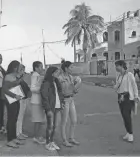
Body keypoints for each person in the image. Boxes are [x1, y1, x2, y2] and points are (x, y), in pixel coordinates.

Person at [56, 61, 81, 147]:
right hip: (64, 101)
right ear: (66, 68)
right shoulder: (59, 78)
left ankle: (71, 138)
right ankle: (64, 140)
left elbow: (74, 88)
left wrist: (76, 87)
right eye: (71, 67)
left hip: (71, 99)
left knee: (74, 120)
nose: (72, 69)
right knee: (64, 121)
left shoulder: (71, 77)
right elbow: (58, 92)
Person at [113, 60, 139, 142]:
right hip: (120, 97)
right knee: (124, 115)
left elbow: (134, 86)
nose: (116, 68)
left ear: (121, 66)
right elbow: (116, 87)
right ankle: (128, 132)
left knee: (126, 115)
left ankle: (130, 134)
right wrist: (114, 85)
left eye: (117, 66)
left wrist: (136, 96)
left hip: (127, 97)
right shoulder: (118, 76)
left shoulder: (129, 75)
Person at [2, 61, 25, 148]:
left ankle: (14, 137)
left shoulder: (15, 76)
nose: (20, 68)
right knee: (11, 119)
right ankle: (9, 140)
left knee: (15, 118)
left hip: (16, 99)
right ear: (14, 67)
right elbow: (5, 89)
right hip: (11, 99)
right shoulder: (8, 76)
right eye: (19, 67)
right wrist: (15, 95)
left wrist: (19, 78)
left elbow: (15, 85)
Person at [40, 66, 64, 151]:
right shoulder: (46, 83)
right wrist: (48, 109)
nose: (59, 73)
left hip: (57, 107)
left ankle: (52, 141)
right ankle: (48, 143)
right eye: (57, 72)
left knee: (55, 126)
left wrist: (62, 103)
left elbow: (60, 94)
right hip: (50, 108)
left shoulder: (56, 82)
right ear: (52, 73)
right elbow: (44, 97)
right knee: (50, 126)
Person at [30, 61, 46, 144]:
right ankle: (36, 137)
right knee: (37, 120)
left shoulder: (38, 76)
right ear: (36, 68)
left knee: (39, 120)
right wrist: (41, 89)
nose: (42, 68)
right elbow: (32, 88)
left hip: (39, 101)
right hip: (36, 101)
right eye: (40, 67)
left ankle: (38, 136)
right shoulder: (35, 76)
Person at [16, 64, 31, 140]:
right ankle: (17, 133)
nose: (23, 72)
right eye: (22, 70)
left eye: (23, 70)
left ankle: (20, 132)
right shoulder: (16, 78)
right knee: (19, 117)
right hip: (20, 100)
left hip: (24, 99)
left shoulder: (21, 79)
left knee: (21, 117)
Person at [0, 54, 6, 134]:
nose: (0, 59)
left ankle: (1, 126)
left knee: (2, 109)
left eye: (1, 58)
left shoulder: (2, 69)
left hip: (2, 90)